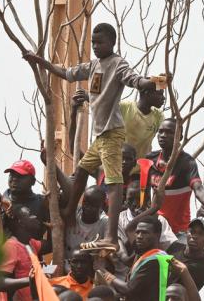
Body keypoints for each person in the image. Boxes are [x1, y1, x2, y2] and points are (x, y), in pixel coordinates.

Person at [23, 22, 160, 243]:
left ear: (112, 43)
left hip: (112, 133)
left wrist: (150, 82)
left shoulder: (117, 64)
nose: (96, 46)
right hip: (100, 136)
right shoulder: (94, 65)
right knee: (82, 170)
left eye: (100, 42)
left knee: (114, 185)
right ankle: (68, 214)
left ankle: (111, 236)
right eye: (93, 42)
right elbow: (66, 73)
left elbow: (135, 80)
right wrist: (40, 62)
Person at [147, 118, 204, 238]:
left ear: (179, 137)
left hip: (178, 230)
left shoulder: (187, 163)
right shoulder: (150, 159)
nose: (163, 135)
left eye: (169, 132)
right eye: (161, 131)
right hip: (155, 228)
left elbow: (198, 189)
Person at [96, 216, 196, 301]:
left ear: (157, 235)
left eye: (145, 233)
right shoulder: (146, 257)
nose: (139, 236)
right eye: (138, 232)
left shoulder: (154, 260)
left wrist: (103, 271)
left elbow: (129, 289)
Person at [0, 206, 44, 301]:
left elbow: (53, 244)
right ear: (20, 223)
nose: (35, 216)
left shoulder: (31, 243)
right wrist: (30, 280)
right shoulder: (11, 246)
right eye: (30, 214)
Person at [119, 180, 177, 253]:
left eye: (139, 199)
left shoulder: (159, 219)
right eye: (130, 199)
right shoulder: (118, 219)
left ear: (147, 199)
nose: (134, 203)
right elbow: (122, 252)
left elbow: (170, 246)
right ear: (125, 200)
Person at [2, 159, 50, 245]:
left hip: (30, 256)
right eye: (11, 175)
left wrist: (34, 248)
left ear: (33, 182)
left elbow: (52, 243)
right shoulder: (0, 202)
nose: (14, 179)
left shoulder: (42, 203)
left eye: (20, 176)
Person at [120, 87, 165, 169]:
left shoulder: (158, 115)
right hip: (118, 167)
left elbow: (169, 136)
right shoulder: (125, 108)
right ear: (147, 93)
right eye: (160, 94)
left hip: (140, 171)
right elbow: (102, 104)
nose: (163, 98)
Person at [65, 186, 109, 263]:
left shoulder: (105, 223)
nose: (87, 207)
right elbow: (69, 192)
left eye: (93, 205)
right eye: (85, 202)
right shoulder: (74, 212)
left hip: (86, 271)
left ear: (103, 206)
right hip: (63, 267)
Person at [168, 217, 204, 290]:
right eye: (192, 232)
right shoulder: (174, 247)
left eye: (201, 233)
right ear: (186, 233)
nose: (195, 236)